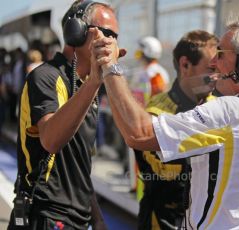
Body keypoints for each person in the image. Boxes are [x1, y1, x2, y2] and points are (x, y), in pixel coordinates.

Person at [93, 6, 239, 228]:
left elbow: (138, 134)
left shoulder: (231, 112)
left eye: (221, 54)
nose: (214, 63)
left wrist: (111, 67)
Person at [7, 0, 123, 229]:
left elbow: (78, 164)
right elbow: (51, 139)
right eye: (107, 33)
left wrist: (97, 218)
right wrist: (94, 82)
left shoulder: (87, 86)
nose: (112, 43)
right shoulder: (46, 77)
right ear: (76, 32)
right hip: (46, 215)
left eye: (116, 36)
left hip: (77, 220)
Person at [134, 30, 218, 229]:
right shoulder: (156, 113)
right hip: (162, 219)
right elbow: (170, 178)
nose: (217, 76)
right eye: (211, 69)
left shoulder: (220, 106)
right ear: (185, 65)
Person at [131, 36, 170, 105]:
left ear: (147, 52)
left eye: (140, 52)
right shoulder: (142, 70)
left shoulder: (156, 73)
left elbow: (160, 98)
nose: (137, 53)